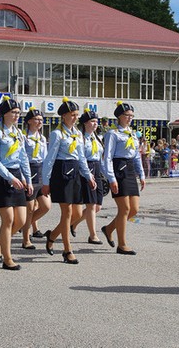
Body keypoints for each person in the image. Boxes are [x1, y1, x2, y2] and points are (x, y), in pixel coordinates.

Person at [41, 98, 96, 264]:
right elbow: (49, 159)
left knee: (77, 213)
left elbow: (81, 157)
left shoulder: (77, 133)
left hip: (76, 173)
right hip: (62, 173)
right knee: (67, 213)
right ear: (63, 116)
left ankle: (52, 235)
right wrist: (46, 181)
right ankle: (67, 250)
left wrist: (88, 175)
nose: (75, 118)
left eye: (77, 115)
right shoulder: (57, 133)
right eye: (72, 115)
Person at [0, 97, 32, 270]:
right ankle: (8, 258)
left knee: (20, 221)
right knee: (8, 220)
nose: (16, 115)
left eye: (18, 113)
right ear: (4, 114)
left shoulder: (18, 133)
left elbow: (23, 158)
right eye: (13, 112)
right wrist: (10, 178)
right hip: (2, 177)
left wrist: (27, 179)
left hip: (17, 175)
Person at [100, 102, 145, 255]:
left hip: (131, 169)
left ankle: (109, 228)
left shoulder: (131, 133)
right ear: (119, 116)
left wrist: (142, 174)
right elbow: (107, 157)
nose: (129, 118)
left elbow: (137, 155)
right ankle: (122, 244)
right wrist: (111, 178)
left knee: (134, 210)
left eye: (132, 116)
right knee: (124, 209)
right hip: (119, 169)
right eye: (127, 115)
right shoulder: (113, 134)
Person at [70, 108, 104, 245]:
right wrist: (87, 174)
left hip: (97, 169)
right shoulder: (80, 137)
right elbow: (81, 157)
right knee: (91, 204)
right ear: (84, 123)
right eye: (92, 121)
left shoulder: (97, 137)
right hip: (86, 169)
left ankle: (73, 224)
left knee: (97, 206)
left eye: (96, 121)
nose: (95, 124)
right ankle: (93, 235)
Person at [20, 107, 51, 246]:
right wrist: (25, 178)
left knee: (46, 206)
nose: (39, 122)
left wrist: (47, 178)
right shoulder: (23, 137)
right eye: (36, 119)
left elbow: (45, 158)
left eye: (41, 120)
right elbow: (21, 158)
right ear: (29, 121)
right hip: (29, 171)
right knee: (30, 208)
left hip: (40, 171)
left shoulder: (42, 138)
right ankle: (26, 239)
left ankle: (25, 225)